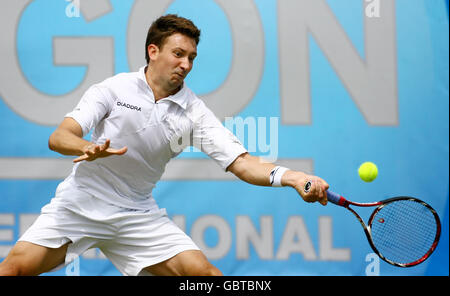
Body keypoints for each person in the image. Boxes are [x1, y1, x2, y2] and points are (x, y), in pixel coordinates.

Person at [0, 14, 329, 276]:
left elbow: (243, 164)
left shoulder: (194, 112)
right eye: (178, 54)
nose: (185, 64)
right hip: (79, 205)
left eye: (191, 57)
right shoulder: (113, 89)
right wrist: (85, 147)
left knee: (205, 276)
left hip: (136, 214)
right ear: (153, 51)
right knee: (12, 270)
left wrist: (294, 177)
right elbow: (59, 137)